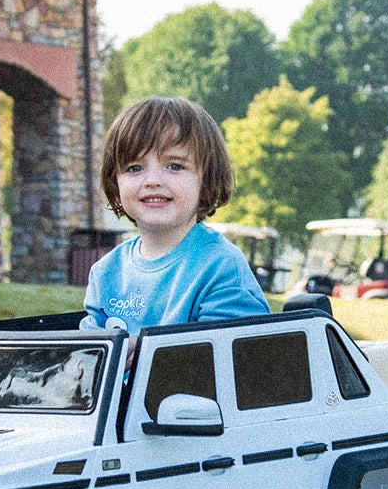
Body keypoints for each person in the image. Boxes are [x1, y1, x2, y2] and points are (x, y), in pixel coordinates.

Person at [78, 97, 271, 331]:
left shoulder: (221, 266)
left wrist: (141, 352)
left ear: (206, 181)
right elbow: (87, 358)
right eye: (134, 168)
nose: (152, 181)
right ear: (115, 184)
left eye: (175, 166)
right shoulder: (105, 273)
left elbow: (228, 357)